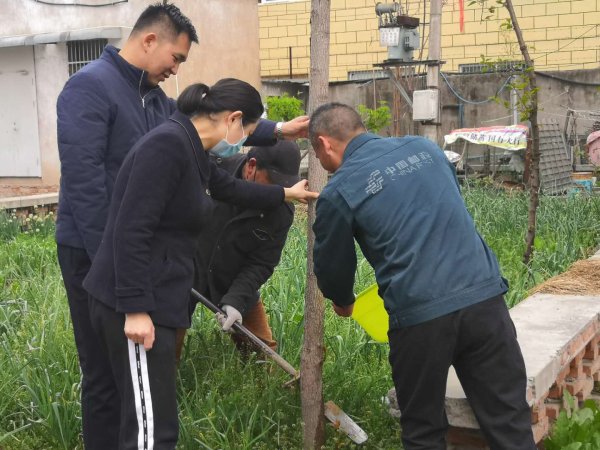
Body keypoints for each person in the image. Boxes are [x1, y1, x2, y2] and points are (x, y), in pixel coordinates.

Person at [55, 3, 308, 447]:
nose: (177, 69)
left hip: (137, 258)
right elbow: (85, 184)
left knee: (134, 389)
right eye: (176, 58)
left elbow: (215, 127)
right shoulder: (90, 87)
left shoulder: (156, 101)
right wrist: (120, 284)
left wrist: (279, 134)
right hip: (96, 252)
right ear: (150, 39)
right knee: (104, 376)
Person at [309, 102, 536, 450]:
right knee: (509, 420)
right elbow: (446, 203)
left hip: (420, 316)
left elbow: (332, 264)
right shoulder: (425, 149)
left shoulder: (338, 191)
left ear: (324, 144)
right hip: (484, 299)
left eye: (316, 154)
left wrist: (342, 300)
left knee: (423, 431)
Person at [175, 140, 301, 360]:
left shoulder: (282, 209)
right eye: (273, 184)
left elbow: (261, 263)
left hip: (232, 280)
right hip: (186, 271)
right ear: (251, 166)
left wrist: (236, 300)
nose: (279, 192)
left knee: (262, 355)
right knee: (165, 350)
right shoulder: (213, 171)